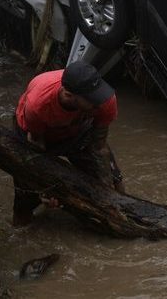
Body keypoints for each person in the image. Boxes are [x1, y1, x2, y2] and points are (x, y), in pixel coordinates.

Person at [12, 61, 124, 226]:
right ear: (69, 94)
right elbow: (37, 147)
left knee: (114, 178)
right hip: (34, 135)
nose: (99, 104)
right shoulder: (39, 105)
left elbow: (99, 146)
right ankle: (22, 228)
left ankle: (123, 211)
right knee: (26, 194)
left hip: (77, 131)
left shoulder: (105, 100)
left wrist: (108, 192)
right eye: (93, 100)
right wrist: (46, 188)